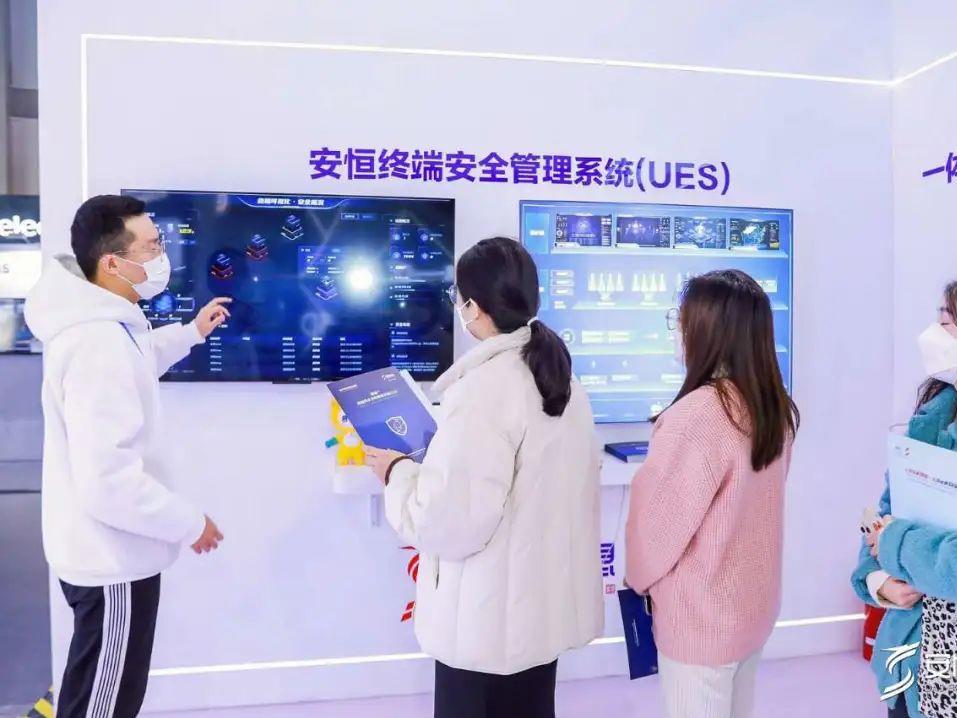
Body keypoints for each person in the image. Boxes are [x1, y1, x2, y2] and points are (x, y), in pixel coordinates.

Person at [364, 237, 603, 718]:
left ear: (472, 306)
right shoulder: (560, 379)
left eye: (458, 297)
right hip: (536, 625)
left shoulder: (483, 392)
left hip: (486, 630)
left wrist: (397, 472)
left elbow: (447, 523)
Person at [24, 195, 229, 718]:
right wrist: (189, 523)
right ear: (112, 263)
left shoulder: (107, 324)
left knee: (97, 691)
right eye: (152, 246)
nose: (163, 254)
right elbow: (107, 481)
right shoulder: (99, 343)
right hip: (112, 561)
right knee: (104, 703)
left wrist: (191, 333)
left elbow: (136, 363)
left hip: (108, 553)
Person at [625, 269, 799, 718]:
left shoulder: (698, 415)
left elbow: (656, 533)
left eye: (680, 320)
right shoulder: (773, 408)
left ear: (706, 331)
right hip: (751, 610)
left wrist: (636, 580)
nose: (677, 331)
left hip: (701, 619)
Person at [853, 282, 957, 718]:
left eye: (946, 323)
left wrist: (894, 543)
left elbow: (896, 535)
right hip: (914, 657)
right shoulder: (934, 415)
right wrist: (879, 581)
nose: (933, 334)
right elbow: (887, 514)